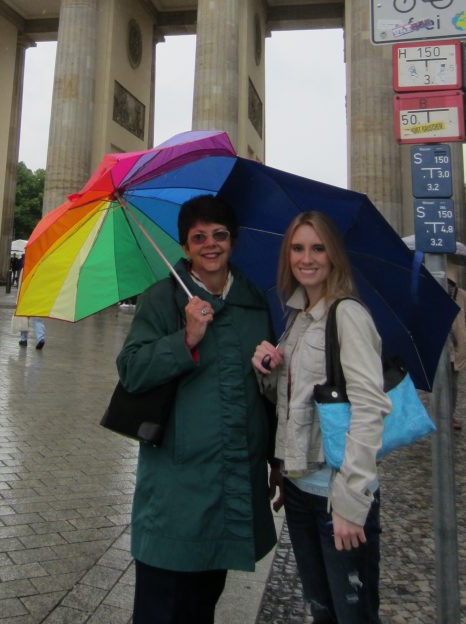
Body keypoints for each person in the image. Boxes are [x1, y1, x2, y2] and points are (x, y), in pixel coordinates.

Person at [117, 195, 278, 624]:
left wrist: (276, 457)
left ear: (234, 241)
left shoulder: (255, 304)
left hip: (233, 478)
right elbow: (131, 370)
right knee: (161, 607)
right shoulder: (161, 299)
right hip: (177, 481)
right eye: (198, 237)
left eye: (219, 235)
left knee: (202, 605)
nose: (210, 244)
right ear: (185, 247)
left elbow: (267, 390)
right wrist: (184, 339)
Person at [253, 210, 390, 624]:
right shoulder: (295, 318)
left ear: (333, 256)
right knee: (321, 610)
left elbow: (370, 407)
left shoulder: (347, 314)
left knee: (354, 616)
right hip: (299, 492)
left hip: (336, 496)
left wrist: (351, 502)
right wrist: (269, 367)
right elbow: (291, 402)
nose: (306, 258)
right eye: (297, 248)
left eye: (317, 248)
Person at [447, 276, 466, 429]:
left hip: (458, 348)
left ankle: (449, 416)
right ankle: (437, 414)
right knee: (436, 386)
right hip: (440, 349)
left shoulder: (461, 295)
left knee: (452, 385)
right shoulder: (430, 293)